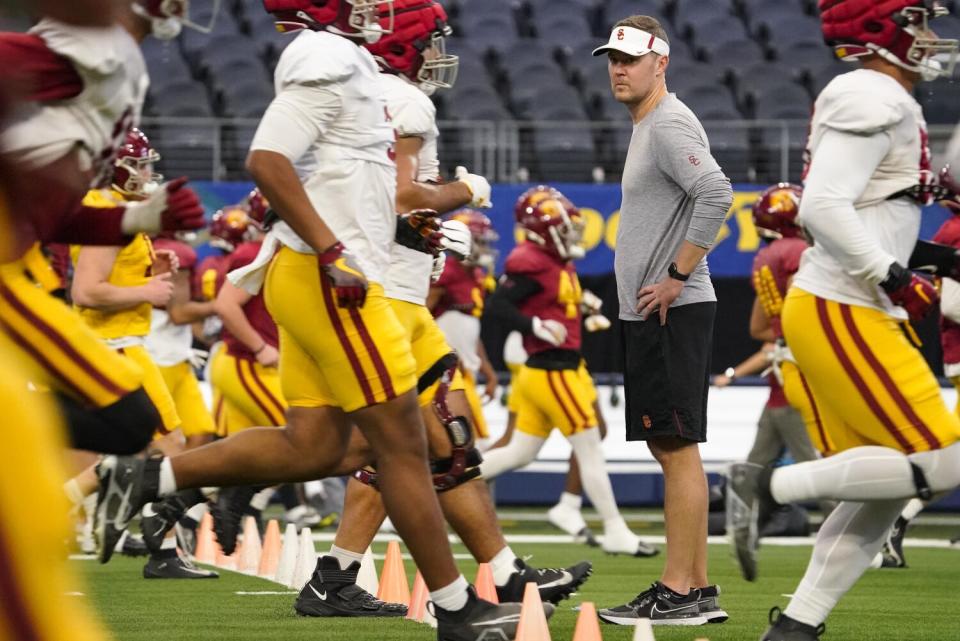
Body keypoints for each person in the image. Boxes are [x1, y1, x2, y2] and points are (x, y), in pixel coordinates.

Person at [94, 2, 550, 638]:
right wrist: (336, 250)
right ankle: (456, 607)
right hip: (331, 277)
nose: (375, 9)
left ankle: (153, 476)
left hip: (322, 275)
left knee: (314, 446)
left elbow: (354, 182)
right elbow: (267, 159)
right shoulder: (327, 55)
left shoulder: (350, 61)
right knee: (406, 446)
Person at [291, 0, 590, 617]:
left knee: (411, 445)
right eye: (429, 41)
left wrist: (418, 228)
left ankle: (338, 575)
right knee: (421, 444)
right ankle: (166, 486)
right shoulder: (400, 100)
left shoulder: (359, 91)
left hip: (380, 293)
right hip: (386, 300)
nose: (436, 53)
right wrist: (465, 191)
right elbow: (398, 196)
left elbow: (376, 205)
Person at [725, 2, 960, 638]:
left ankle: (796, 627)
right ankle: (764, 486)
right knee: (947, 458)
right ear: (882, 29)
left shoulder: (879, 95)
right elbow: (824, 208)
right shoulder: (870, 93)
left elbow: (872, 211)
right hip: (844, 307)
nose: (930, 37)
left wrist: (933, 258)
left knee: (881, 493)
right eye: (917, 22)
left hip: (846, 305)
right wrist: (894, 275)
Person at [591, 13, 732, 627]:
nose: (619, 69)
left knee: (675, 449)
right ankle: (696, 589)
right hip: (657, 312)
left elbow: (718, 192)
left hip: (672, 308)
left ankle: (677, 591)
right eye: (612, 59)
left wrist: (676, 275)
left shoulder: (669, 121)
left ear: (661, 62)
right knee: (673, 445)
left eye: (631, 59)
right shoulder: (651, 123)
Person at [479, 187, 660, 562]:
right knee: (590, 447)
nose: (573, 235)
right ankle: (614, 529)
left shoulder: (554, 260)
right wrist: (533, 325)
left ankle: (440, 486)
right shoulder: (529, 260)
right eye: (565, 228)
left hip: (556, 369)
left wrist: (583, 308)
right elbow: (498, 305)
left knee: (519, 453)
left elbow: (554, 297)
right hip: (552, 371)